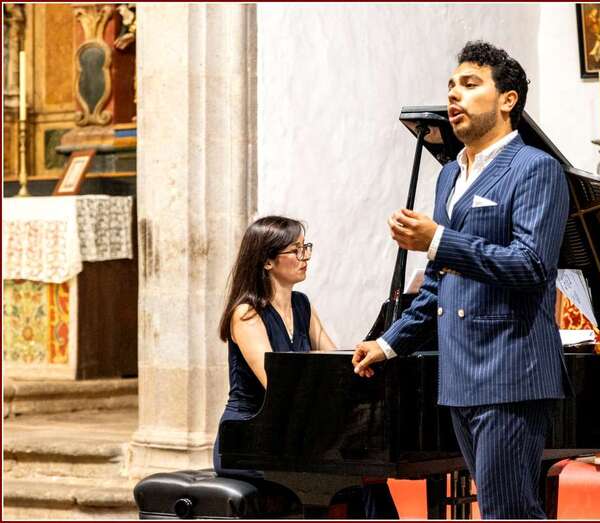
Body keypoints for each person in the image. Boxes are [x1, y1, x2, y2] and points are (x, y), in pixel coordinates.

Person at [352, 41, 571, 519]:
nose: (454, 96)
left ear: (508, 100)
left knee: (507, 512)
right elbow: (436, 283)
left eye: (470, 85)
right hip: (459, 374)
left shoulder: (536, 169)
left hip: (511, 373)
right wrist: (388, 344)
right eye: (451, 86)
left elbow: (531, 265)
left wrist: (439, 239)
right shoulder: (449, 175)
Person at [214, 215, 398, 519]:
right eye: (296, 251)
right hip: (249, 440)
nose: (305, 257)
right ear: (267, 261)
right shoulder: (246, 313)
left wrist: (368, 358)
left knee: (370, 476)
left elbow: (334, 363)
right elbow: (277, 386)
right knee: (351, 477)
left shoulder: (302, 305)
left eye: (305, 248)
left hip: (291, 435)